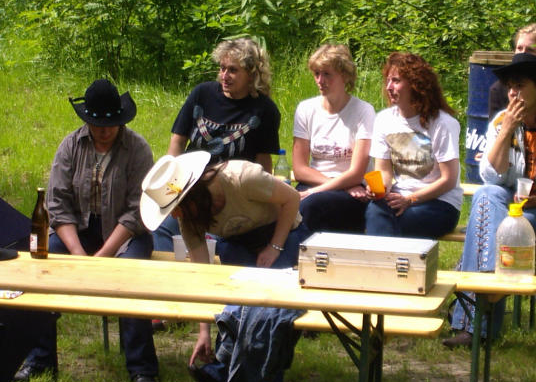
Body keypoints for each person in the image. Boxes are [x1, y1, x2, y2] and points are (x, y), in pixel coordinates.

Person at [13, 79, 160, 382]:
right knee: (41, 267)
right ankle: (39, 359)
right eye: (97, 124)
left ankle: (141, 367)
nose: (104, 131)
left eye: (110, 124)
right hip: (77, 231)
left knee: (133, 275)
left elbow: (137, 210)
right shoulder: (70, 145)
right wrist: (78, 254)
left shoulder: (137, 149)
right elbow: (57, 203)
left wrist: (104, 255)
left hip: (125, 232)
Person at [444, 53, 536, 348]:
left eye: (520, 85)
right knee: (487, 196)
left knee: (493, 228)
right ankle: (487, 299)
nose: (512, 93)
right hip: (510, 209)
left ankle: (474, 323)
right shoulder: (502, 122)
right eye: (510, 86)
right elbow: (490, 177)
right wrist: (506, 132)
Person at [139, 153, 311, 382]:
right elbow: (204, 277)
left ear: (193, 193)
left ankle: (256, 380)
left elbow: (292, 198)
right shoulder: (189, 219)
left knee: (271, 307)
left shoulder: (243, 178)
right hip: (239, 244)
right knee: (237, 305)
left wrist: (274, 247)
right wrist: (203, 333)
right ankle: (231, 372)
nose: (175, 217)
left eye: (176, 207)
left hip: (285, 233)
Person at [152, 37, 281, 253]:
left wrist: (264, 195)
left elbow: (262, 161)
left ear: (251, 74)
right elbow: (178, 140)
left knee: (226, 241)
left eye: (233, 70)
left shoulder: (264, 110)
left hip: (231, 195)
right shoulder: (202, 94)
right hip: (190, 188)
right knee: (162, 229)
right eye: (222, 68)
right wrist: (171, 185)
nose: (224, 76)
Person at [364, 52, 463, 239]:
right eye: (388, 81)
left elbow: (448, 179)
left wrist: (410, 199)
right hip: (399, 197)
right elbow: (383, 171)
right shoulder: (384, 119)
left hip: (439, 202)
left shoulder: (442, 123)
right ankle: (382, 258)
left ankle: (388, 257)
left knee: (403, 221)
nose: (389, 87)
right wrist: (380, 188)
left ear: (416, 85)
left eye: (396, 81)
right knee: (374, 211)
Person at [292, 44, 375, 232]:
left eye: (327, 74)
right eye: (317, 74)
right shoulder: (305, 109)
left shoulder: (363, 111)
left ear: (345, 75)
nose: (320, 80)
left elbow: (356, 173)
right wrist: (339, 186)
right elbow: (299, 169)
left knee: (309, 206)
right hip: (323, 184)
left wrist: (315, 191)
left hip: (355, 192)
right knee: (284, 205)